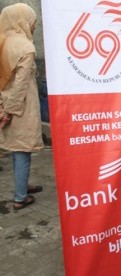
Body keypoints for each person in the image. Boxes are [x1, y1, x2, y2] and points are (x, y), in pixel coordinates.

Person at [0, 3, 44, 211]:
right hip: (21, 107)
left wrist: (3, 107)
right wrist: (9, 111)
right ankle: (20, 196)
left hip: (4, 102)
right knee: (22, 150)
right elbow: (21, 84)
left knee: (17, 147)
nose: (33, 26)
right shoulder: (26, 47)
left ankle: (22, 184)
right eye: (32, 21)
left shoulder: (2, 42)